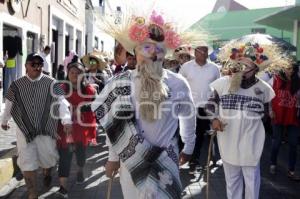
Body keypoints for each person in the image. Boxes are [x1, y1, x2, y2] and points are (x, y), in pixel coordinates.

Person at [89, 10, 202, 198]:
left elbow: (188, 118)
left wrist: (189, 147)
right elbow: (114, 125)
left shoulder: (178, 83)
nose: (152, 54)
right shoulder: (120, 83)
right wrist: (112, 158)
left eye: (158, 49)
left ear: (164, 54)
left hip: (166, 158)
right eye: (146, 48)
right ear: (135, 52)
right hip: (131, 160)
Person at [206, 42, 290, 199]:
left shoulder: (264, 89)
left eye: (245, 67)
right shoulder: (224, 83)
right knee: (232, 180)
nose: (240, 71)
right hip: (227, 138)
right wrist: (214, 119)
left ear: (255, 69)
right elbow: (210, 106)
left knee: (251, 179)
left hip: (251, 140)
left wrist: (250, 119)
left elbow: (266, 114)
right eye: (239, 66)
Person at [1, 53, 72, 199]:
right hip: (25, 131)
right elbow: (9, 104)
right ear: (26, 65)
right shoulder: (16, 85)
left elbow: (62, 102)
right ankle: (33, 194)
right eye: (33, 64)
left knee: (48, 159)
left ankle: (47, 172)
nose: (37, 67)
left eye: (40, 64)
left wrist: (66, 120)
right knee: (27, 163)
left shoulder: (52, 83)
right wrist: (4, 120)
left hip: (46, 130)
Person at [56, 62, 97, 198]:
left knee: (80, 154)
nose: (74, 75)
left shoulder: (89, 90)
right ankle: (63, 187)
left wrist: (92, 130)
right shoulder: (61, 88)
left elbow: (94, 108)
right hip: (65, 128)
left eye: (78, 72)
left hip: (81, 127)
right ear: (68, 73)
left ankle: (80, 170)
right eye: (72, 72)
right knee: (64, 156)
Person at [179, 44, 220, 170]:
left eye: (205, 52)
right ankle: (187, 157)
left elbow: (218, 86)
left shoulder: (214, 68)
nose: (202, 54)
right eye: (199, 51)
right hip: (189, 105)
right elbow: (179, 83)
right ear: (195, 53)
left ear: (208, 53)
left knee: (204, 134)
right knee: (189, 133)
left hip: (207, 107)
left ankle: (200, 159)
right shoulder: (186, 67)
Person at [270, 63, 300, 180]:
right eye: (286, 68)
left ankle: (291, 170)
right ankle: (273, 163)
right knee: (276, 142)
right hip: (278, 115)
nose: (288, 71)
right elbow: (269, 96)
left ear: (294, 70)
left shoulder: (298, 81)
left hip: (293, 117)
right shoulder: (275, 79)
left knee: (293, 143)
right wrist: (270, 110)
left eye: (291, 69)